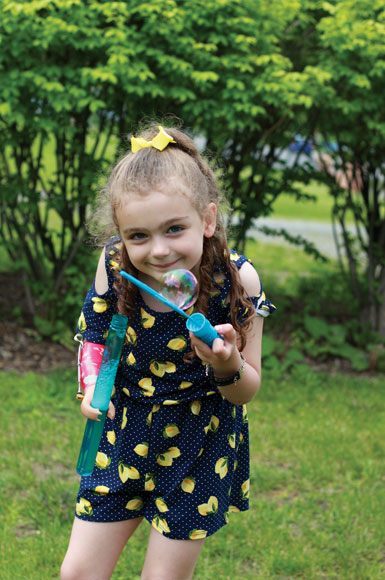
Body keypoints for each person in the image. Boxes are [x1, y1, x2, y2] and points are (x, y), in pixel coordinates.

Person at [61, 124, 275, 580]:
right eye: (138, 235)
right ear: (121, 234)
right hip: (122, 435)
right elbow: (96, 335)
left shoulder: (237, 280)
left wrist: (226, 363)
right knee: (77, 572)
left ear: (208, 220)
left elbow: (246, 390)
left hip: (199, 442)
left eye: (175, 229)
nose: (158, 251)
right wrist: (91, 388)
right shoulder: (115, 264)